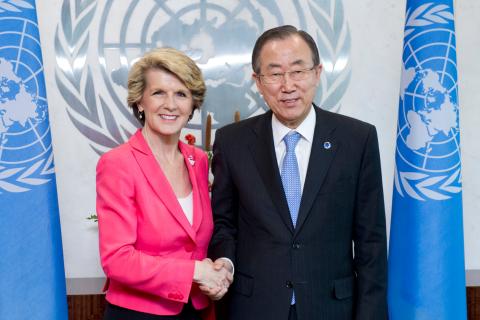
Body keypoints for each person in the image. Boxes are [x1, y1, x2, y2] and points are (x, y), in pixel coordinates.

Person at [208, 25, 388, 319]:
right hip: (254, 307)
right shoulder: (233, 142)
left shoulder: (357, 139)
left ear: (317, 73)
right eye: (275, 74)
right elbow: (224, 222)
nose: (287, 85)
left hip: (332, 308)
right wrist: (225, 262)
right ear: (258, 81)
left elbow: (371, 242)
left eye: (298, 71)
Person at [96, 48, 231, 320]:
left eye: (181, 94)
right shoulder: (118, 163)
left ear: (193, 103)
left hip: (195, 310)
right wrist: (194, 271)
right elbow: (117, 259)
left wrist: (221, 271)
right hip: (138, 313)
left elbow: (198, 240)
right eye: (159, 93)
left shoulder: (198, 160)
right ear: (140, 101)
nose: (170, 104)